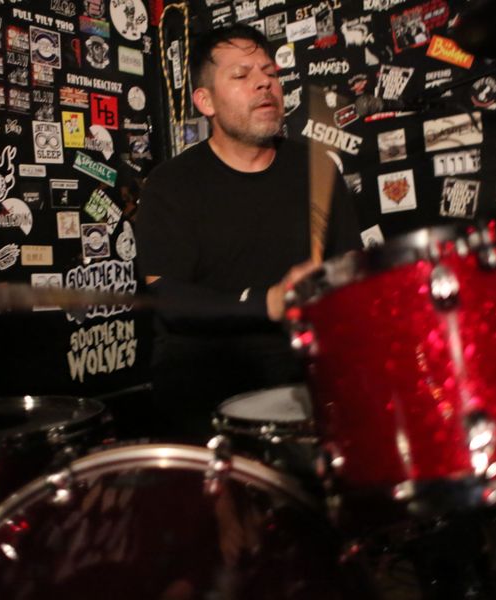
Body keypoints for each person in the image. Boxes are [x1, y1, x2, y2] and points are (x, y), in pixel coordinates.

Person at [136, 24, 361, 440]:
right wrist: (268, 301)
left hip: (304, 385)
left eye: (270, 73)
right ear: (205, 101)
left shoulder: (317, 170)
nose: (264, 83)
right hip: (205, 400)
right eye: (241, 75)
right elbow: (168, 297)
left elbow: (351, 271)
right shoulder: (170, 184)